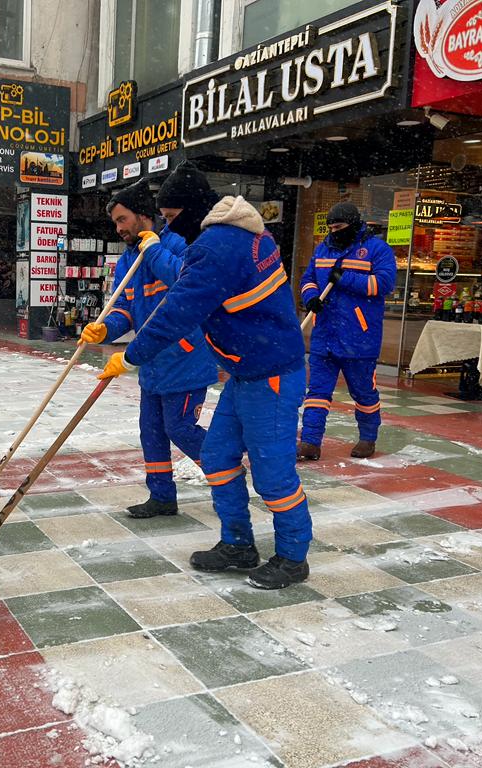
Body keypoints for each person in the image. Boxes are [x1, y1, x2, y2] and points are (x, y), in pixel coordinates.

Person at [97, 161, 313, 590]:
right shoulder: (229, 235)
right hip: (245, 370)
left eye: (172, 216)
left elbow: (177, 310)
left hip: (271, 373)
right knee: (216, 456)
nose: (171, 225)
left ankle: (293, 556)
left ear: (192, 208)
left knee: (272, 472)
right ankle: (237, 544)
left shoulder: (218, 247)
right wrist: (112, 329)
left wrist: (131, 356)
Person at [80, 179, 217, 518]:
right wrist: (105, 329)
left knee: (180, 428)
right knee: (152, 432)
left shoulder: (179, 243)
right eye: (115, 222)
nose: (118, 228)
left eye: (122, 219)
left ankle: (226, 473)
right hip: (151, 361)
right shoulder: (128, 260)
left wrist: (153, 250)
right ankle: (162, 496)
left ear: (143, 215)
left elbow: (184, 281)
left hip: (185, 359)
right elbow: (125, 309)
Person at [297, 202, 397, 461]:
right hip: (325, 335)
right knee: (317, 393)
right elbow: (308, 278)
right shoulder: (323, 249)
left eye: (339, 227)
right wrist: (311, 297)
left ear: (353, 224)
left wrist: (346, 279)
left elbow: (384, 284)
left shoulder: (377, 249)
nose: (334, 232)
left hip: (360, 337)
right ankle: (310, 442)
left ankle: (368, 438)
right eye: (331, 228)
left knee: (363, 393)